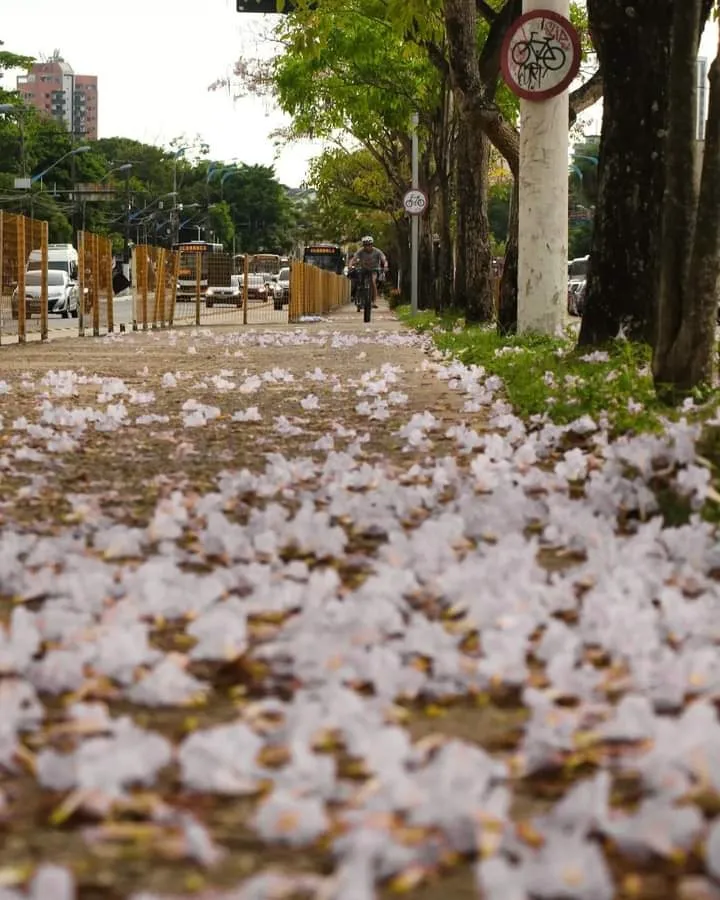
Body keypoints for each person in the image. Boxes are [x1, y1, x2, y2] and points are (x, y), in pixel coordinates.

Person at [349, 236, 388, 309]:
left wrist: (385, 266)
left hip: (374, 270)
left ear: (372, 244)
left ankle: (374, 301)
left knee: (373, 282)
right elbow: (353, 259)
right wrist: (350, 265)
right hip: (363, 269)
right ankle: (359, 297)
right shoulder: (360, 251)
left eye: (369, 245)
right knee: (359, 281)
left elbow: (384, 259)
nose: (367, 247)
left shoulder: (377, 251)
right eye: (365, 245)